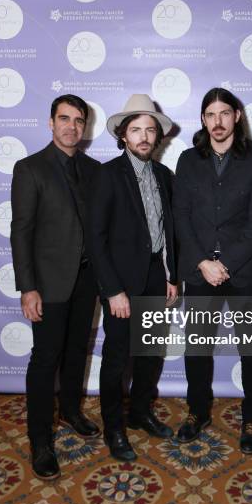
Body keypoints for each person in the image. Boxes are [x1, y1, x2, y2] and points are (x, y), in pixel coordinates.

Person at [173, 87, 252, 453]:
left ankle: (251, 419)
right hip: (199, 271)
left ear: (237, 117)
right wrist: (202, 261)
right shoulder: (187, 160)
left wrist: (225, 263)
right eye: (210, 114)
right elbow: (180, 216)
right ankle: (198, 413)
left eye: (224, 113)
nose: (218, 121)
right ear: (202, 120)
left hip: (243, 271)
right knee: (197, 348)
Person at [10, 94, 101, 481]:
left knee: (78, 348)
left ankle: (71, 410)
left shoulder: (94, 169)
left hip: (86, 280)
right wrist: (27, 288)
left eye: (79, 121)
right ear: (51, 123)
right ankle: (40, 439)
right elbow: (21, 233)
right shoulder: (30, 168)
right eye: (64, 119)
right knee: (46, 359)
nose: (72, 127)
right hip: (47, 283)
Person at [87, 94, 178, 461]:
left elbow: (168, 230)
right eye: (136, 130)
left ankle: (140, 412)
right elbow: (95, 239)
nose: (143, 136)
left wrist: (172, 276)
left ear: (158, 137)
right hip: (121, 285)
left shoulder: (164, 175)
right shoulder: (106, 175)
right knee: (116, 359)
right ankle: (114, 428)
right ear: (123, 136)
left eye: (150, 130)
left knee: (151, 353)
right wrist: (112, 291)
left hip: (157, 277)